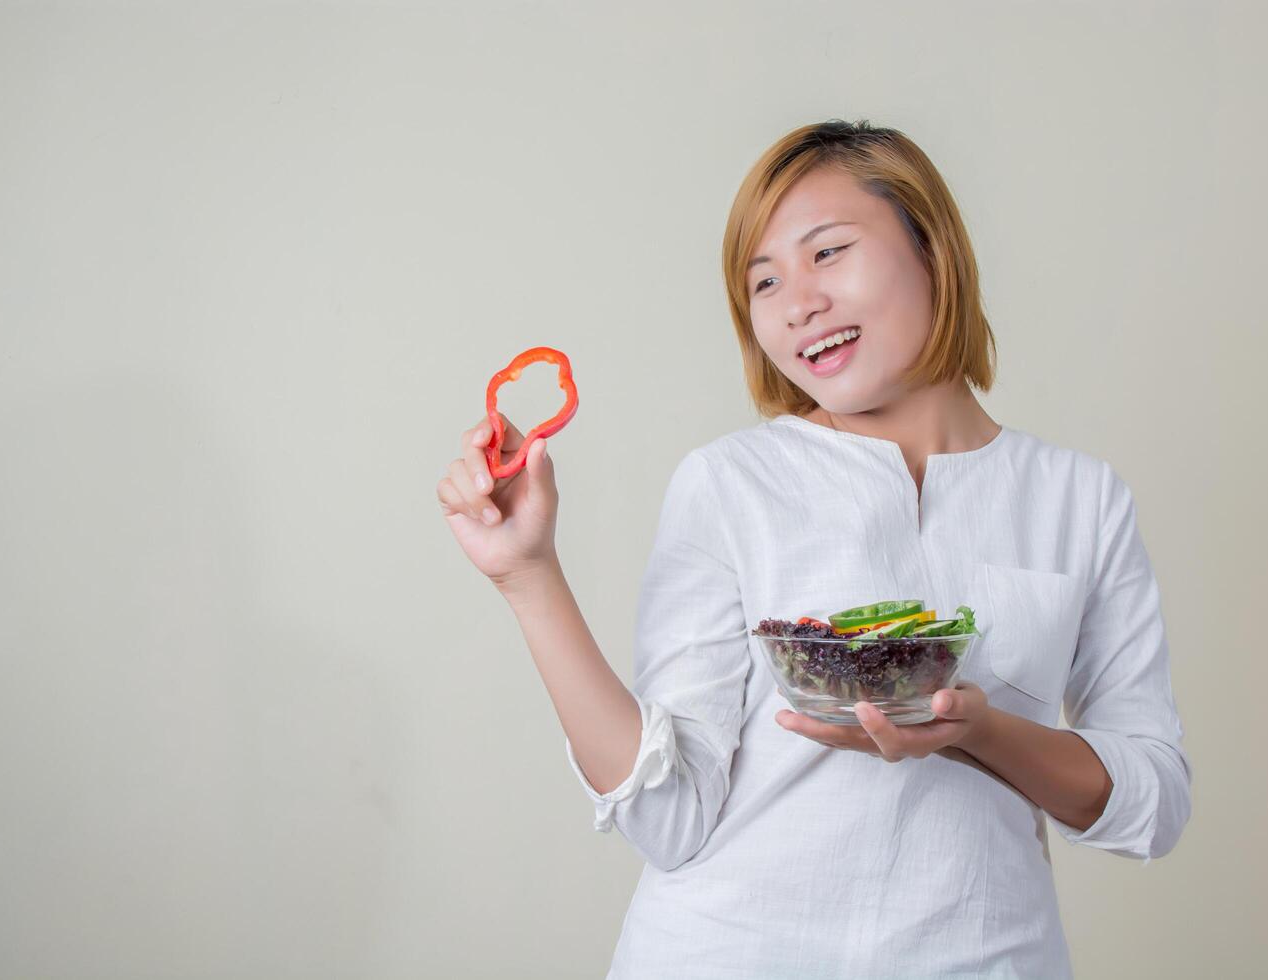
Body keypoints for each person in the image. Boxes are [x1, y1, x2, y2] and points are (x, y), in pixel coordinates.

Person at [436, 119, 1191, 979]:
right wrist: (529, 578)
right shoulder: (731, 483)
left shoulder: (1081, 500)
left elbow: (1151, 805)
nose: (796, 302)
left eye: (827, 253)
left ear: (933, 249)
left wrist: (979, 733)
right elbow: (670, 816)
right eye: (763, 281)